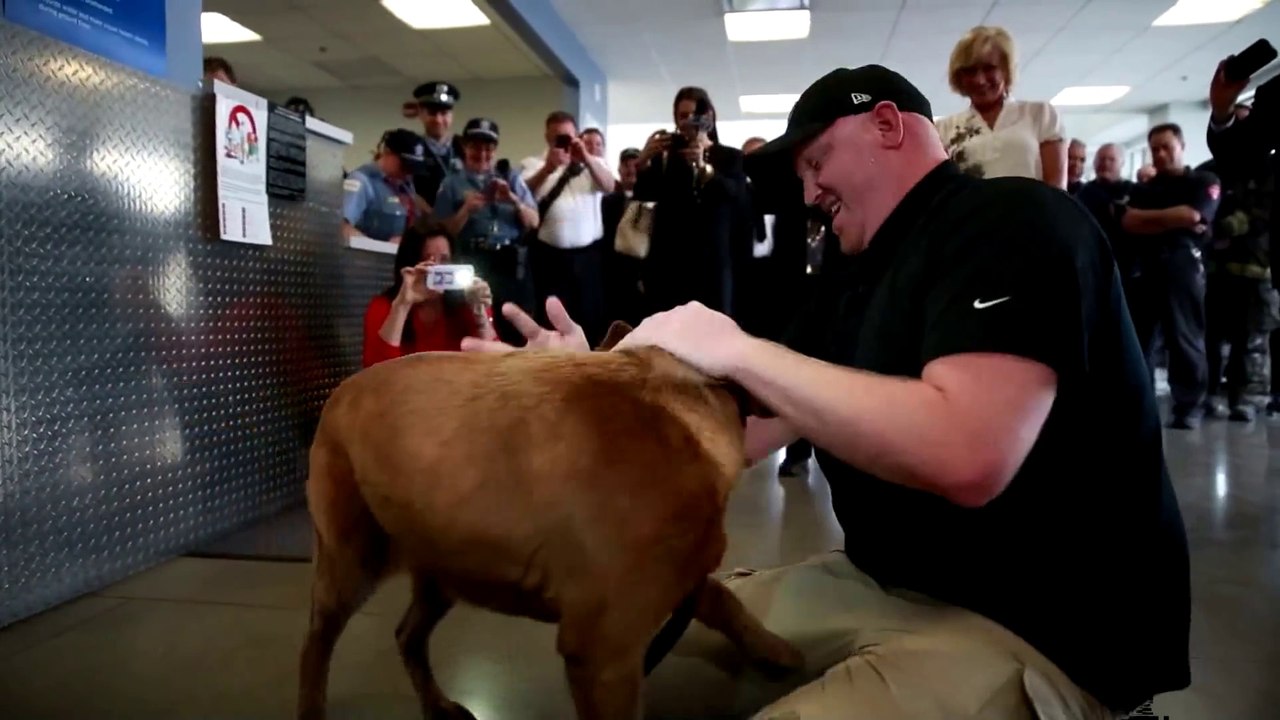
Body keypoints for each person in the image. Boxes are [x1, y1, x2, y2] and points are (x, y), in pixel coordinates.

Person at [463, 65, 1191, 719]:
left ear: (885, 124)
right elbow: (739, 432)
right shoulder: (849, 275)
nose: (810, 193)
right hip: (883, 581)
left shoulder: (1016, 219)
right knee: (626, 652)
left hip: (1043, 629)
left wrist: (741, 349)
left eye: (817, 161)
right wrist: (589, 387)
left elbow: (967, 453)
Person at [934, 26, 1067, 187]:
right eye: (970, 71)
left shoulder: (1041, 115)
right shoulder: (942, 129)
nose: (979, 80)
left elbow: (1057, 190)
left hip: (1033, 211)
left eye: (989, 68)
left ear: (1006, 70)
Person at [362, 220, 494, 367]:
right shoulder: (384, 306)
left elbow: (495, 365)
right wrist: (402, 305)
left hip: (456, 387)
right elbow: (375, 373)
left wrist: (481, 315)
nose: (436, 269)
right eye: (427, 260)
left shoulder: (467, 302)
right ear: (410, 264)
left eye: (444, 260)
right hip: (403, 388)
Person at [342, 129, 426, 245]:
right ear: (387, 152)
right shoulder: (361, 181)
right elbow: (342, 228)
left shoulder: (406, 185)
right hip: (368, 259)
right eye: (405, 165)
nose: (408, 172)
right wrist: (382, 247)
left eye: (412, 168)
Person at [411, 80, 465, 210]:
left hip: (463, 222)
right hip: (422, 223)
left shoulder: (466, 146)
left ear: (451, 116)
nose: (438, 120)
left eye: (444, 113)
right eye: (432, 113)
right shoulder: (411, 148)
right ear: (421, 114)